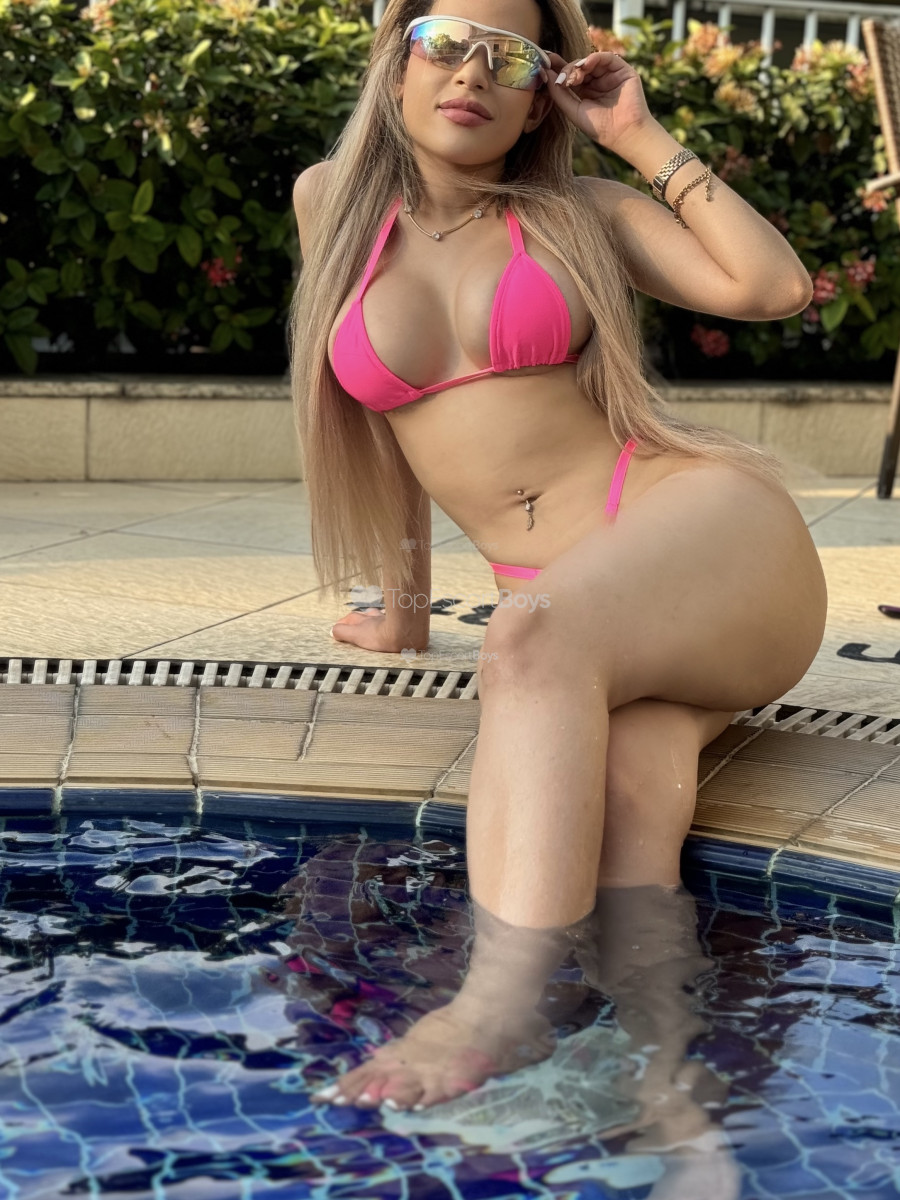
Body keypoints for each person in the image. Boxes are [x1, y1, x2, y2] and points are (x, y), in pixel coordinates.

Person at [289, 0, 828, 1116]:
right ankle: (672, 1099)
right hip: (585, 615)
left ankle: (498, 1006)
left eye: (511, 58)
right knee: (630, 804)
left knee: (530, 643)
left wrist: (636, 135)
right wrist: (404, 606)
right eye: (445, 41)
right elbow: (383, 437)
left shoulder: (581, 211)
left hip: (705, 538)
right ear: (396, 58)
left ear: (543, 98)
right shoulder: (330, 203)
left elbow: (772, 290)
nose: (471, 73)